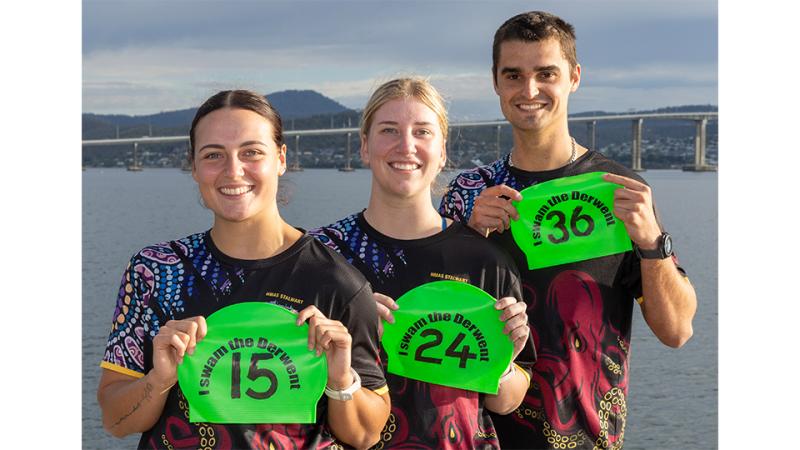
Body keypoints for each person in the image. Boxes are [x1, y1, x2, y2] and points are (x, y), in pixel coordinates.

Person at [439, 12, 698, 450]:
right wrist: (463, 238)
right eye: (514, 75)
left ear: (574, 77)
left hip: (587, 440)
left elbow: (677, 330)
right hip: (476, 437)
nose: (530, 90)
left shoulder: (618, 189)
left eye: (546, 74)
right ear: (496, 82)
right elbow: (432, 315)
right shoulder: (469, 193)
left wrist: (652, 243)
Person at [96, 90, 390, 449]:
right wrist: (160, 379)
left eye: (251, 152)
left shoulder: (337, 282)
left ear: (281, 159)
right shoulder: (155, 273)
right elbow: (114, 420)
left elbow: (365, 435)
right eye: (213, 155)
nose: (233, 171)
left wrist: (340, 378)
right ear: (193, 166)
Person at [310, 77, 536, 449]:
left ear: (443, 151)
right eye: (389, 131)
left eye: (422, 132)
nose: (406, 146)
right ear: (364, 147)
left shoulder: (484, 260)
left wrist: (503, 361)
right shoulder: (323, 256)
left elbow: (507, 401)